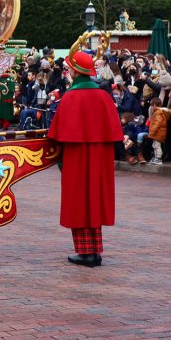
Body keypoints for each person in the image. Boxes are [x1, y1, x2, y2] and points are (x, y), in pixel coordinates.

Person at [47, 45, 122, 268]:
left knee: (78, 202)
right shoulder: (103, 96)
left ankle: (85, 252)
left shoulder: (70, 98)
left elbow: (56, 134)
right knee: (95, 199)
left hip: (76, 156)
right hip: (100, 157)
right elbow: (115, 131)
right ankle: (95, 251)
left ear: (76, 71)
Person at [146, 97, 171, 165]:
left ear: (154, 105)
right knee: (155, 145)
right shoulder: (160, 112)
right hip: (159, 133)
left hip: (158, 133)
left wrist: (152, 132)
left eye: (151, 105)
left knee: (157, 146)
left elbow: (157, 124)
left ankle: (159, 158)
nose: (151, 107)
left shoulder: (158, 113)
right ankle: (156, 157)